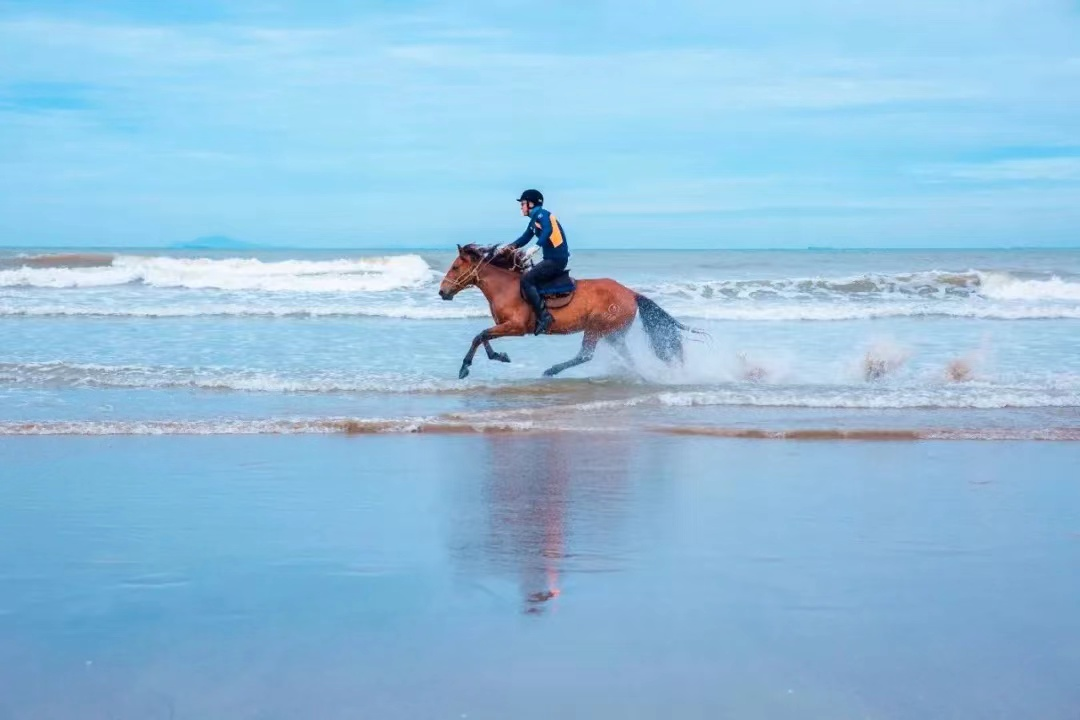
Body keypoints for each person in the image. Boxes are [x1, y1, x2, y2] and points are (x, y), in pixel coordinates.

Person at [504, 189, 569, 335]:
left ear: (531, 204)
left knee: (526, 280)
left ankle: (545, 317)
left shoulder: (542, 215)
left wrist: (536, 246)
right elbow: (524, 238)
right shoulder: (533, 221)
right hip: (550, 259)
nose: (521, 207)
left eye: (523, 204)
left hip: (556, 260)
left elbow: (547, 230)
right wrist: (508, 248)